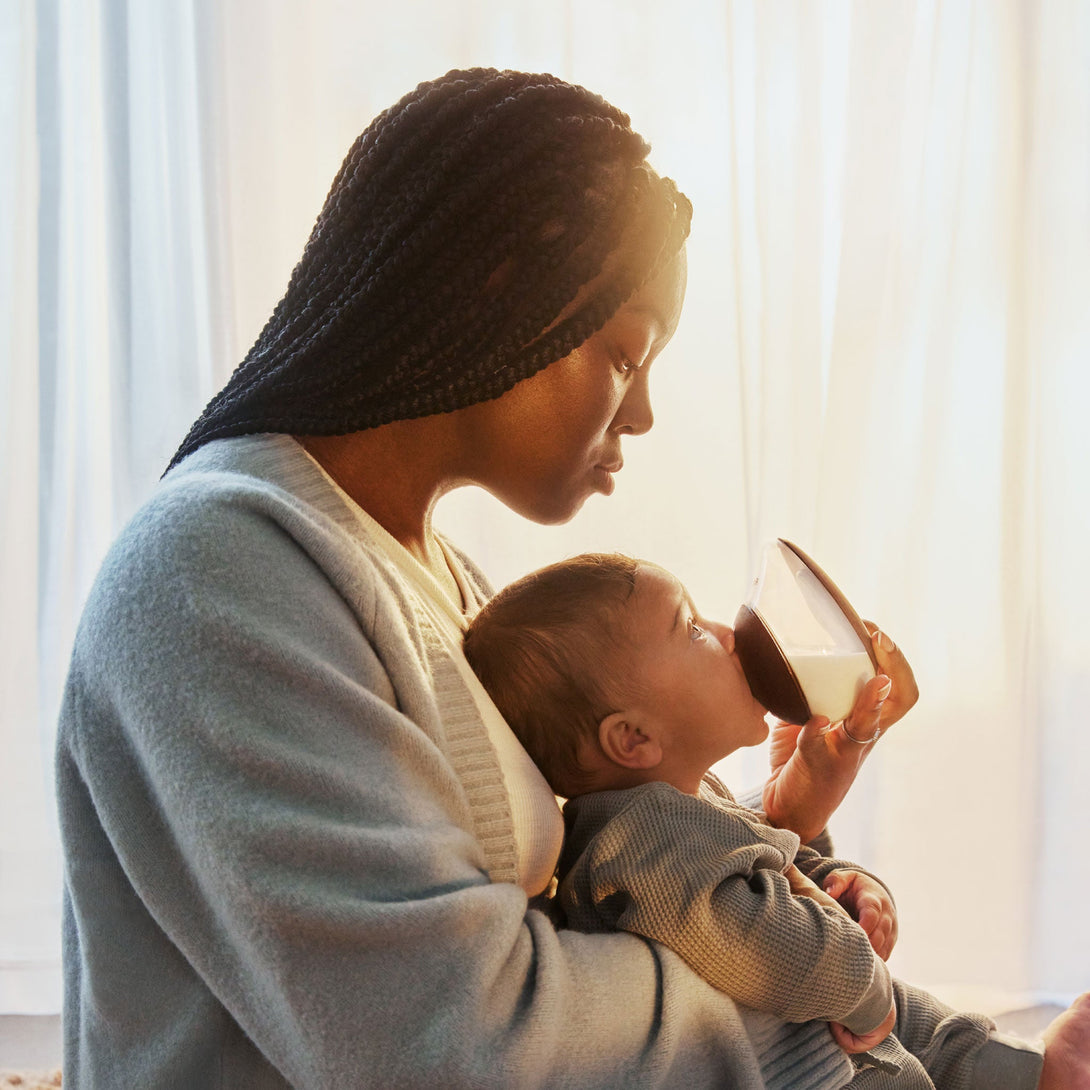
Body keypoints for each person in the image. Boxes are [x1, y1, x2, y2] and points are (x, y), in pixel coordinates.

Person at [54, 67, 1065, 1089]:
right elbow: (452, 1046)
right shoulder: (214, 574)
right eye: (625, 356)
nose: (643, 414)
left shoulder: (441, 584)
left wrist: (782, 825)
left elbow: (599, 901)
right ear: (499, 293)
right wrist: (795, 973)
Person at [463, 552, 1090, 1089]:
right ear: (634, 739)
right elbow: (763, 948)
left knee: (912, 1014)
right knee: (888, 1017)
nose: (729, 633)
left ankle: (1027, 1072)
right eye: (692, 629)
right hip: (804, 1069)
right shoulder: (639, 842)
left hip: (824, 1034)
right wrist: (863, 983)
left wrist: (843, 884)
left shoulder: (681, 803)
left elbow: (772, 867)